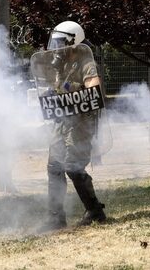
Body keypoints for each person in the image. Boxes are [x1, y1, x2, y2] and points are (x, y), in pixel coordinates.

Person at [42, 21, 106, 230]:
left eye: (61, 42)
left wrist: (72, 91)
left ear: (73, 41)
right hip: (62, 121)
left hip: (80, 123)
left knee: (73, 166)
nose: (57, 46)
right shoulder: (61, 63)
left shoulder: (85, 62)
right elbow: (58, 86)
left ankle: (94, 210)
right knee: (54, 168)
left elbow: (93, 90)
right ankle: (55, 218)